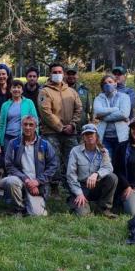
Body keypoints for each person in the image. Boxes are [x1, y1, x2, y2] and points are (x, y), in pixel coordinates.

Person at [0, 115, 58, 216]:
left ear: (36, 127)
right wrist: (26, 179)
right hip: (20, 180)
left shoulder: (45, 144)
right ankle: (18, 209)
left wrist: (38, 182)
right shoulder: (13, 143)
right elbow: (9, 166)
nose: (28, 127)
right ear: (21, 126)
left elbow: (53, 166)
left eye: (31, 125)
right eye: (25, 124)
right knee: (11, 181)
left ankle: (27, 202)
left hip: (37, 183)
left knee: (38, 215)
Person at [38, 62, 82, 191]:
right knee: (53, 160)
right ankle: (54, 186)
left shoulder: (71, 91)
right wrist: (61, 127)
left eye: (59, 72)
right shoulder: (44, 91)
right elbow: (45, 112)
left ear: (63, 74)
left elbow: (79, 109)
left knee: (72, 159)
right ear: (50, 74)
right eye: (54, 72)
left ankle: (71, 186)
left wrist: (72, 125)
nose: (57, 74)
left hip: (71, 132)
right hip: (52, 132)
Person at [67, 124, 119, 218]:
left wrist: (96, 174)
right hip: (81, 187)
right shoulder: (75, 151)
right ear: (83, 137)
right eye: (86, 134)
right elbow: (71, 175)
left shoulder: (103, 151)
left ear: (96, 136)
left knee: (112, 177)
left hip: (96, 185)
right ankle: (78, 204)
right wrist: (79, 193)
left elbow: (108, 168)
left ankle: (103, 209)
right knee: (83, 215)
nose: (89, 136)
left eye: (92, 133)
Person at [0, 80, 38, 157]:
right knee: (9, 162)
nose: (16, 89)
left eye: (19, 87)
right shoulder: (5, 105)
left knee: (23, 162)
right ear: (10, 90)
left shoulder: (29, 103)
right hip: (7, 138)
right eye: (14, 87)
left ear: (22, 90)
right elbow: (1, 124)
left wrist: (36, 138)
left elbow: (35, 121)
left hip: (23, 138)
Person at [92, 74, 130, 158]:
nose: (108, 85)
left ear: (115, 83)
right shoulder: (99, 98)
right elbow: (97, 112)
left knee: (121, 162)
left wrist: (103, 117)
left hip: (121, 137)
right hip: (105, 137)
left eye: (110, 82)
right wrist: (115, 109)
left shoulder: (124, 97)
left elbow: (124, 114)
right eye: (105, 83)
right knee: (107, 162)